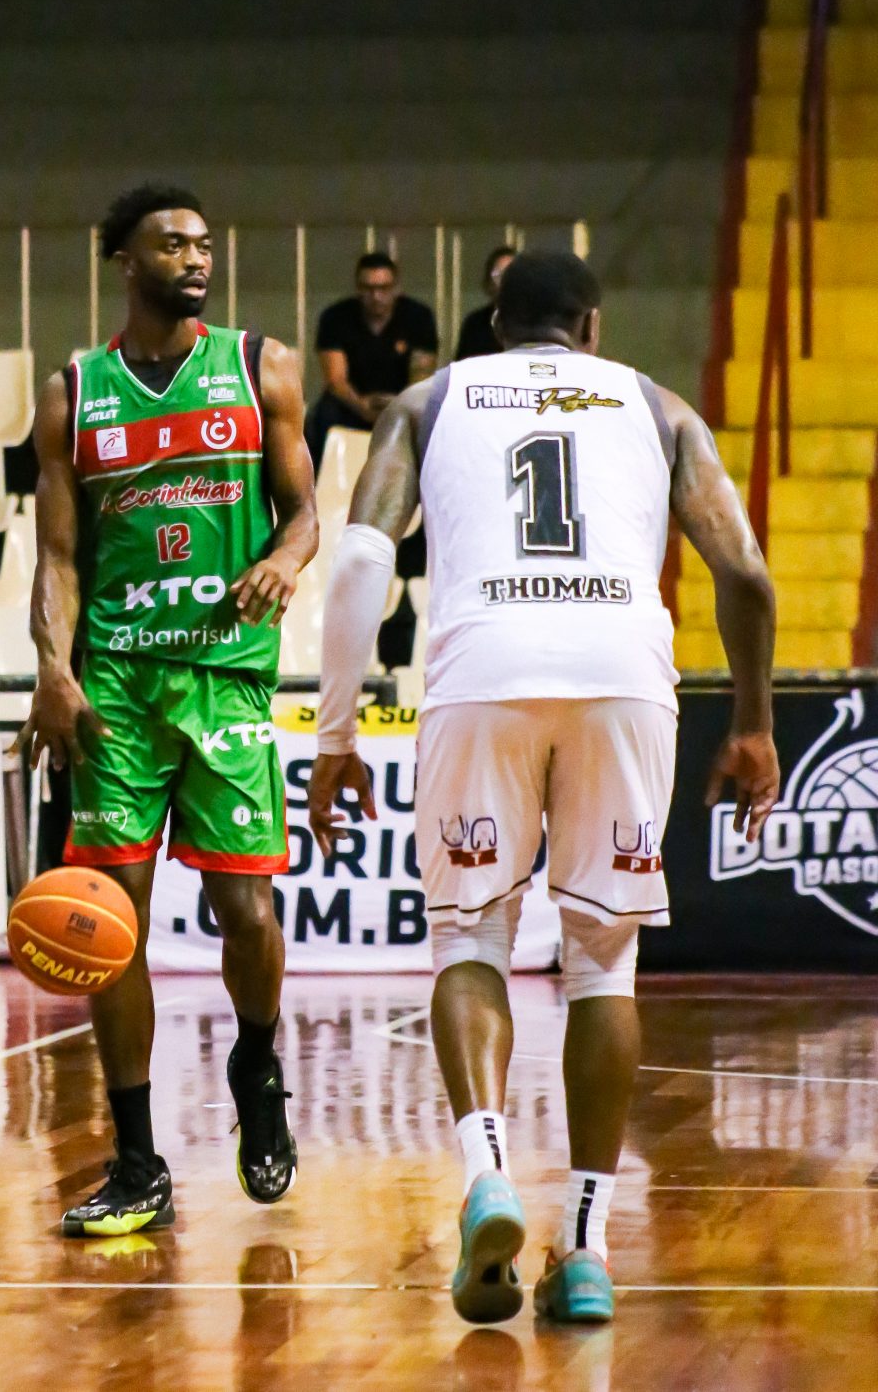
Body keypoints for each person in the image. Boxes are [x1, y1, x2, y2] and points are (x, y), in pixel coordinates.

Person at [308, 251, 779, 1324]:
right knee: (603, 960)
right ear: (593, 328)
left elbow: (360, 565)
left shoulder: (430, 400)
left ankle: (487, 1177)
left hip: (483, 670)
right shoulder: (659, 408)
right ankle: (589, 1248)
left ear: (492, 324)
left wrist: (337, 735)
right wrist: (753, 724)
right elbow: (746, 576)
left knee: (469, 940)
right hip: (623, 678)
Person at [14, 183, 318, 1236]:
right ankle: (138, 1159)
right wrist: (52, 669)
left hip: (226, 672)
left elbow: (304, 510)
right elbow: (58, 557)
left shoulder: (261, 366)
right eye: (173, 244)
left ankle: (257, 1063)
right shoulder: (73, 392)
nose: (196, 257)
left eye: (204, 243)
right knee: (111, 925)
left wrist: (285, 558)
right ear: (124, 260)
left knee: (247, 911)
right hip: (116, 684)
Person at [305, 251, 438, 471]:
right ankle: (320, 480)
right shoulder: (335, 317)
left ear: (396, 288)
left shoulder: (418, 317)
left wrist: (396, 405)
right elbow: (335, 379)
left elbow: (421, 375)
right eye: (368, 288)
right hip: (351, 404)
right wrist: (362, 406)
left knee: (428, 412)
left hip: (400, 401)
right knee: (324, 413)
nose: (376, 296)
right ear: (358, 288)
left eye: (384, 288)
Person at [455, 245, 517, 360]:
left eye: (512, 274)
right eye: (499, 275)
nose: (506, 281)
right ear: (489, 282)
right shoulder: (474, 324)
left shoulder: (536, 324)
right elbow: (464, 365)